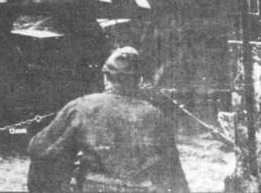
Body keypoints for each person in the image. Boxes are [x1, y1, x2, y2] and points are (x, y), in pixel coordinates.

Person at [27, 46, 189, 193]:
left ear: (105, 78)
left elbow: (39, 149)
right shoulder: (156, 115)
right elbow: (174, 173)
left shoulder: (81, 106)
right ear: (139, 81)